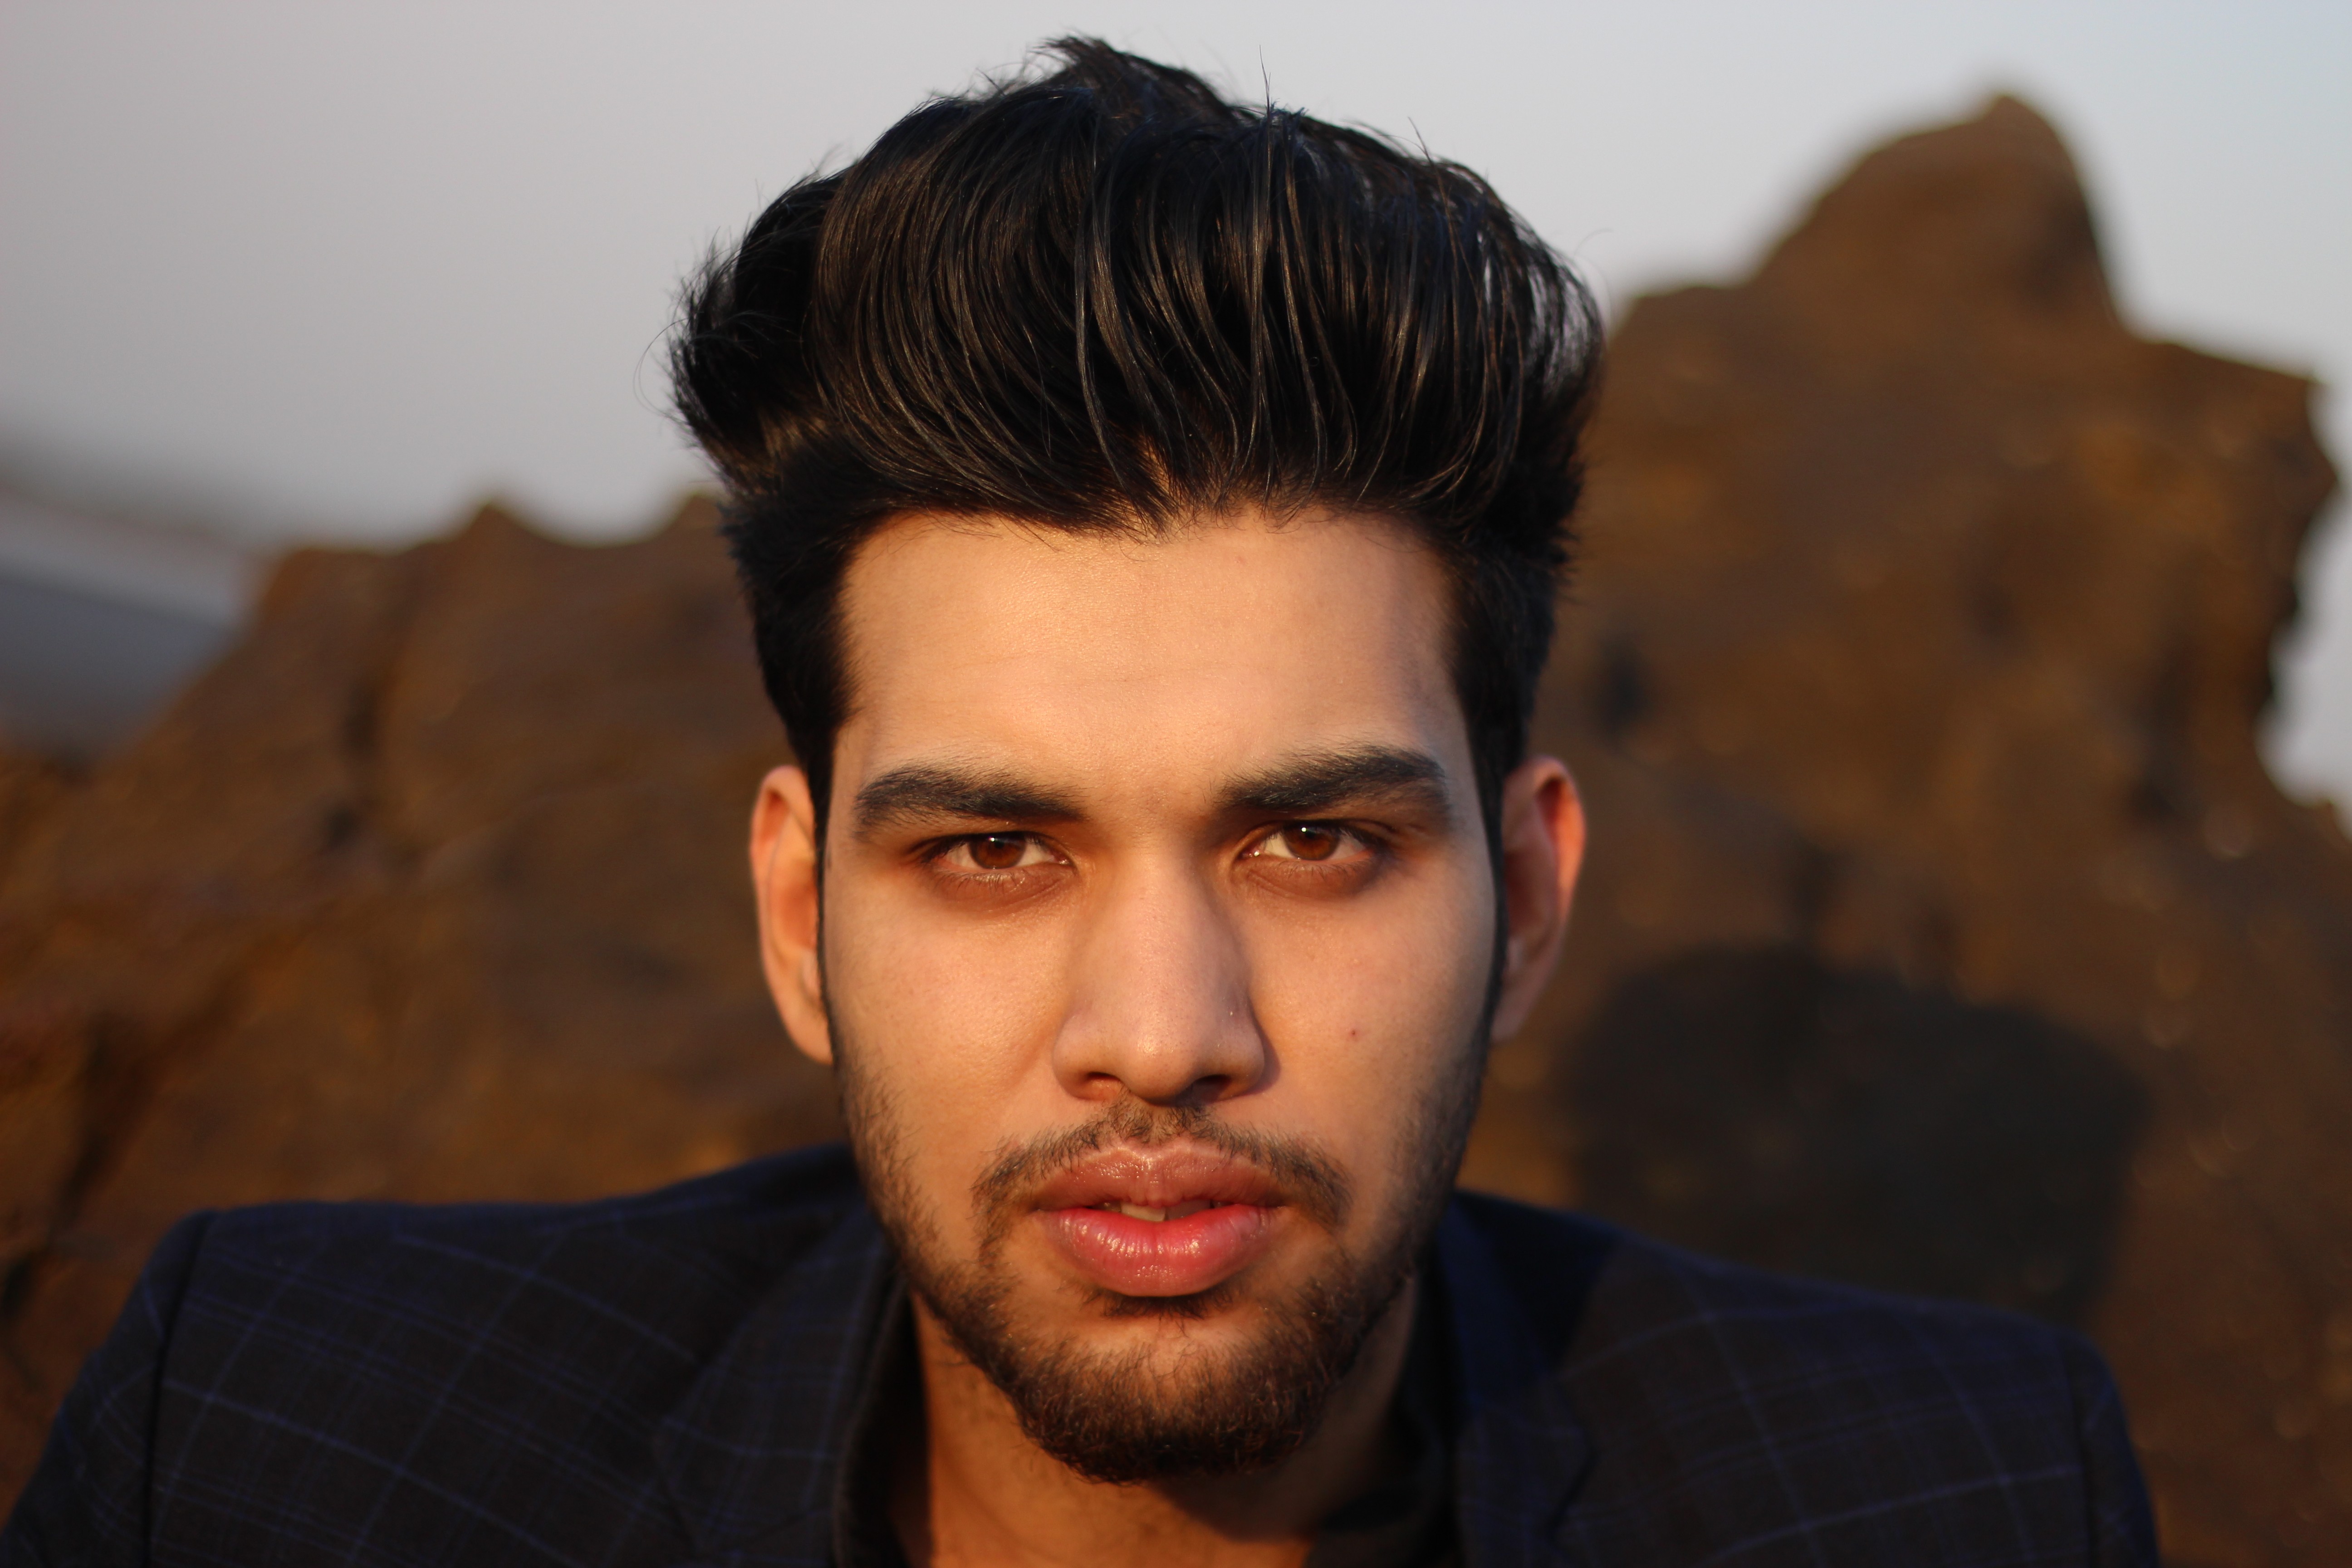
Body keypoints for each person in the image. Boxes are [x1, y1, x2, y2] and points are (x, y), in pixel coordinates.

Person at [3, 39, 2154, 1568]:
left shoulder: (1959, 1503)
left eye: (1314, 843)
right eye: (994, 851)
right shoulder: (277, 1446)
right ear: (798, 918)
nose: (1159, 1032)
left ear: (1527, 894)